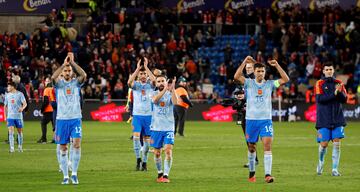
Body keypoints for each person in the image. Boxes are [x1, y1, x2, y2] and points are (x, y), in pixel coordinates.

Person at [234, 56, 289, 183]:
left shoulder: (270, 84)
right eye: (258, 71)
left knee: (267, 146)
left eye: (262, 71)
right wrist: (244, 62)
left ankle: (268, 175)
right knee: (252, 147)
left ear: (265, 72)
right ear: (254, 72)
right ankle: (252, 173)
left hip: (265, 120)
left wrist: (277, 65)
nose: (260, 73)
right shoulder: (248, 83)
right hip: (251, 120)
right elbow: (237, 76)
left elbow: (285, 79)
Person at [52, 52, 87, 185]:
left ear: (72, 72)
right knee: (63, 148)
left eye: (69, 71)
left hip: (75, 118)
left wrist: (72, 63)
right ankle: (65, 176)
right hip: (61, 119)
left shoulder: (76, 83)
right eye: (65, 71)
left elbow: (83, 75)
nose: (67, 72)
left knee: (77, 145)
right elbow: (52, 78)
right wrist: (63, 65)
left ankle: (74, 174)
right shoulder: (58, 85)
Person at [314, 63, 347, 176]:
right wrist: (334, 93)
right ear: (323, 71)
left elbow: (344, 99)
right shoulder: (319, 83)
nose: (328, 71)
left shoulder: (339, 83)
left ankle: (334, 169)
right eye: (327, 69)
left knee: (337, 143)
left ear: (333, 71)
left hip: (337, 118)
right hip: (323, 119)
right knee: (323, 144)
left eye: (330, 69)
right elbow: (320, 99)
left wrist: (339, 93)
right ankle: (320, 163)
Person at [127, 57, 156, 171]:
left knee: (147, 143)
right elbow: (129, 82)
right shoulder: (136, 85)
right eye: (141, 74)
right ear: (138, 75)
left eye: (145, 74)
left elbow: (154, 80)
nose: (143, 75)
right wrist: (138, 68)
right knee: (136, 138)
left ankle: (144, 162)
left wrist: (147, 67)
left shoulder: (151, 85)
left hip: (149, 117)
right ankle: (138, 160)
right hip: (137, 116)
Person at [151, 75, 177, 183]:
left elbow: (175, 103)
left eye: (163, 81)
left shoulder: (170, 94)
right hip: (156, 128)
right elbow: (155, 100)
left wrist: (173, 89)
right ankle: (160, 173)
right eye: (159, 81)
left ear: (166, 82)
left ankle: (166, 176)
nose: (161, 83)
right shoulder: (153, 93)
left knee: (168, 150)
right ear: (156, 84)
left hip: (168, 128)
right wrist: (166, 89)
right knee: (157, 153)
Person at [4, 81, 27, 153]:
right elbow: (5, 106)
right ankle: (12, 148)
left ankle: (20, 147)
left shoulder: (20, 94)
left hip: (18, 117)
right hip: (10, 117)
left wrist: (22, 108)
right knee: (11, 132)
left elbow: (25, 103)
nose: (7, 88)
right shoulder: (7, 95)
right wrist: (5, 116)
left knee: (19, 132)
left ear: (12, 87)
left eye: (8, 86)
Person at [37, 77, 55, 143]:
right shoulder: (54, 88)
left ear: (49, 82)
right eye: (45, 81)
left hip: (48, 110)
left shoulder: (46, 89)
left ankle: (44, 138)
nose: (45, 82)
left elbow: (46, 101)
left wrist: (42, 110)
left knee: (43, 123)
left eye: (47, 81)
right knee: (54, 125)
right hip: (55, 109)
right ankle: (55, 138)